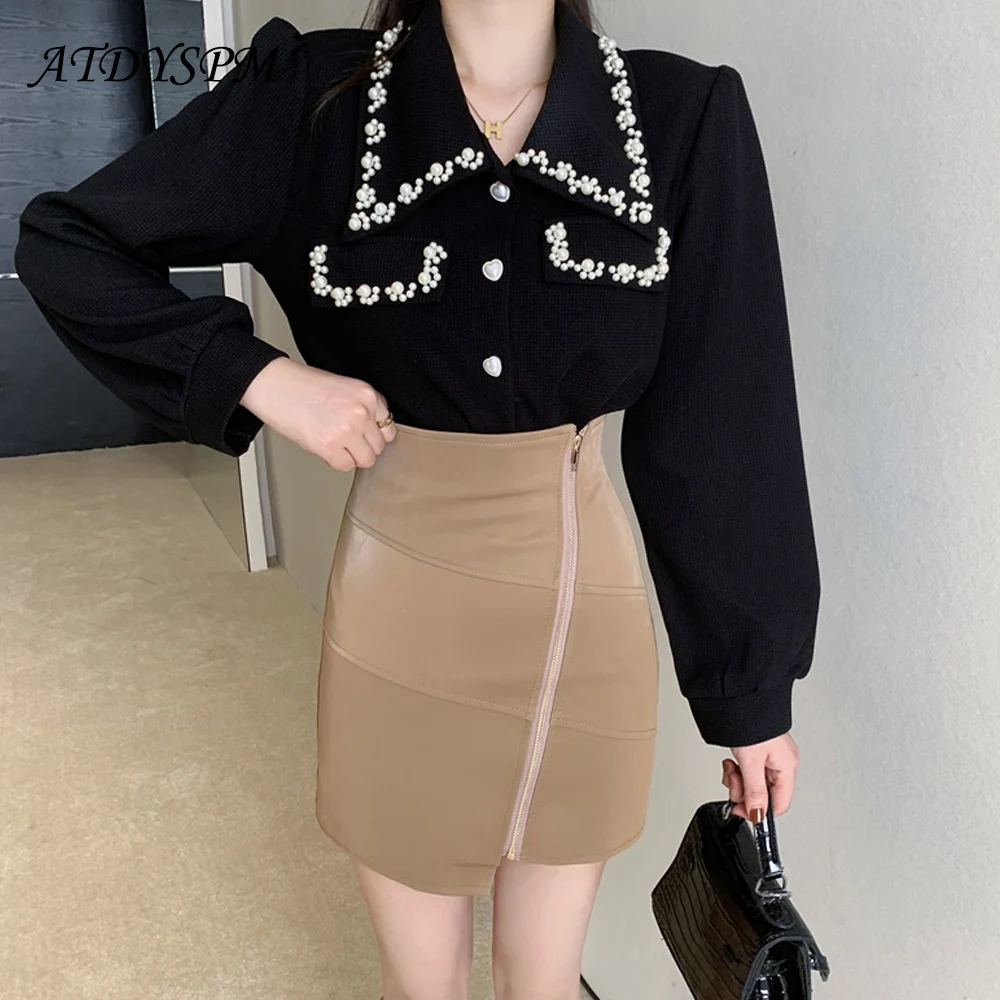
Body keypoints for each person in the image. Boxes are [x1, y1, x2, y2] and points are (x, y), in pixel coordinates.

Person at [14, 0, 821, 997]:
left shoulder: (678, 116)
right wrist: (259, 376)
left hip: (582, 630)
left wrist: (750, 697)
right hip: (399, 622)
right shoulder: (311, 100)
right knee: (420, 982)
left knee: (543, 981)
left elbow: (722, 417)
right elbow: (69, 242)